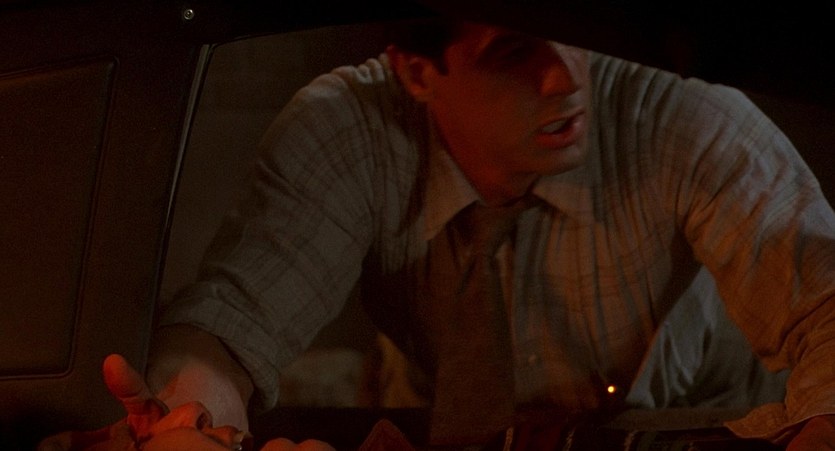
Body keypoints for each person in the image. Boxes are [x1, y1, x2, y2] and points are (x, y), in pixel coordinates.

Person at [41, 10, 835, 451]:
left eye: (579, 31)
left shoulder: (678, 114)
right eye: (514, 50)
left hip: (689, 425)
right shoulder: (351, 128)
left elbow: (828, 305)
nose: (565, 76)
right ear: (418, 72)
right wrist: (183, 422)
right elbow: (236, 320)